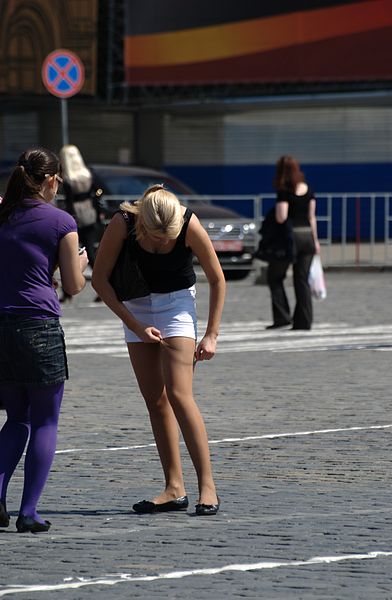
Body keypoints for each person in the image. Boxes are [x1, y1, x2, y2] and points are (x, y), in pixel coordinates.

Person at [92, 184, 225, 516]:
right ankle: (173, 487)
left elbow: (217, 278)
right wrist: (136, 326)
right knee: (155, 399)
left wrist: (211, 335)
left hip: (177, 305)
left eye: (170, 237)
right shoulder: (123, 222)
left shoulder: (189, 223)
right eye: (157, 238)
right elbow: (99, 281)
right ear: (142, 224)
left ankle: (207, 486)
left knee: (180, 394)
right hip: (135, 307)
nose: (164, 242)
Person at [0, 148, 88, 533]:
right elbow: (72, 285)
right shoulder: (60, 221)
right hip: (38, 325)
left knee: (15, 417)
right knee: (44, 421)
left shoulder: (2, 214)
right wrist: (81, 266)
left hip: (1, 325)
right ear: (52, 180)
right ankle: (29, 512)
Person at [266, 155, 320, 330]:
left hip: (291, 239)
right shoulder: (309, 189)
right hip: (307, 237)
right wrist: (316, 240)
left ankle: (282, 317)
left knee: (275, 277)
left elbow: (281, 217)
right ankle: (304, 321)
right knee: (302, 280)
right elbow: (312, 217)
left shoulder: (284, 191)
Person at [59, 145, 102, 303]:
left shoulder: (68, 179)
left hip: (76, 217)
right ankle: (103, 286)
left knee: (68, 253)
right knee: (91, 252)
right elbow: (98, 192)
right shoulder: (87, 175)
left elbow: (69, 203)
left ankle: (67, 292)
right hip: (90, 214)